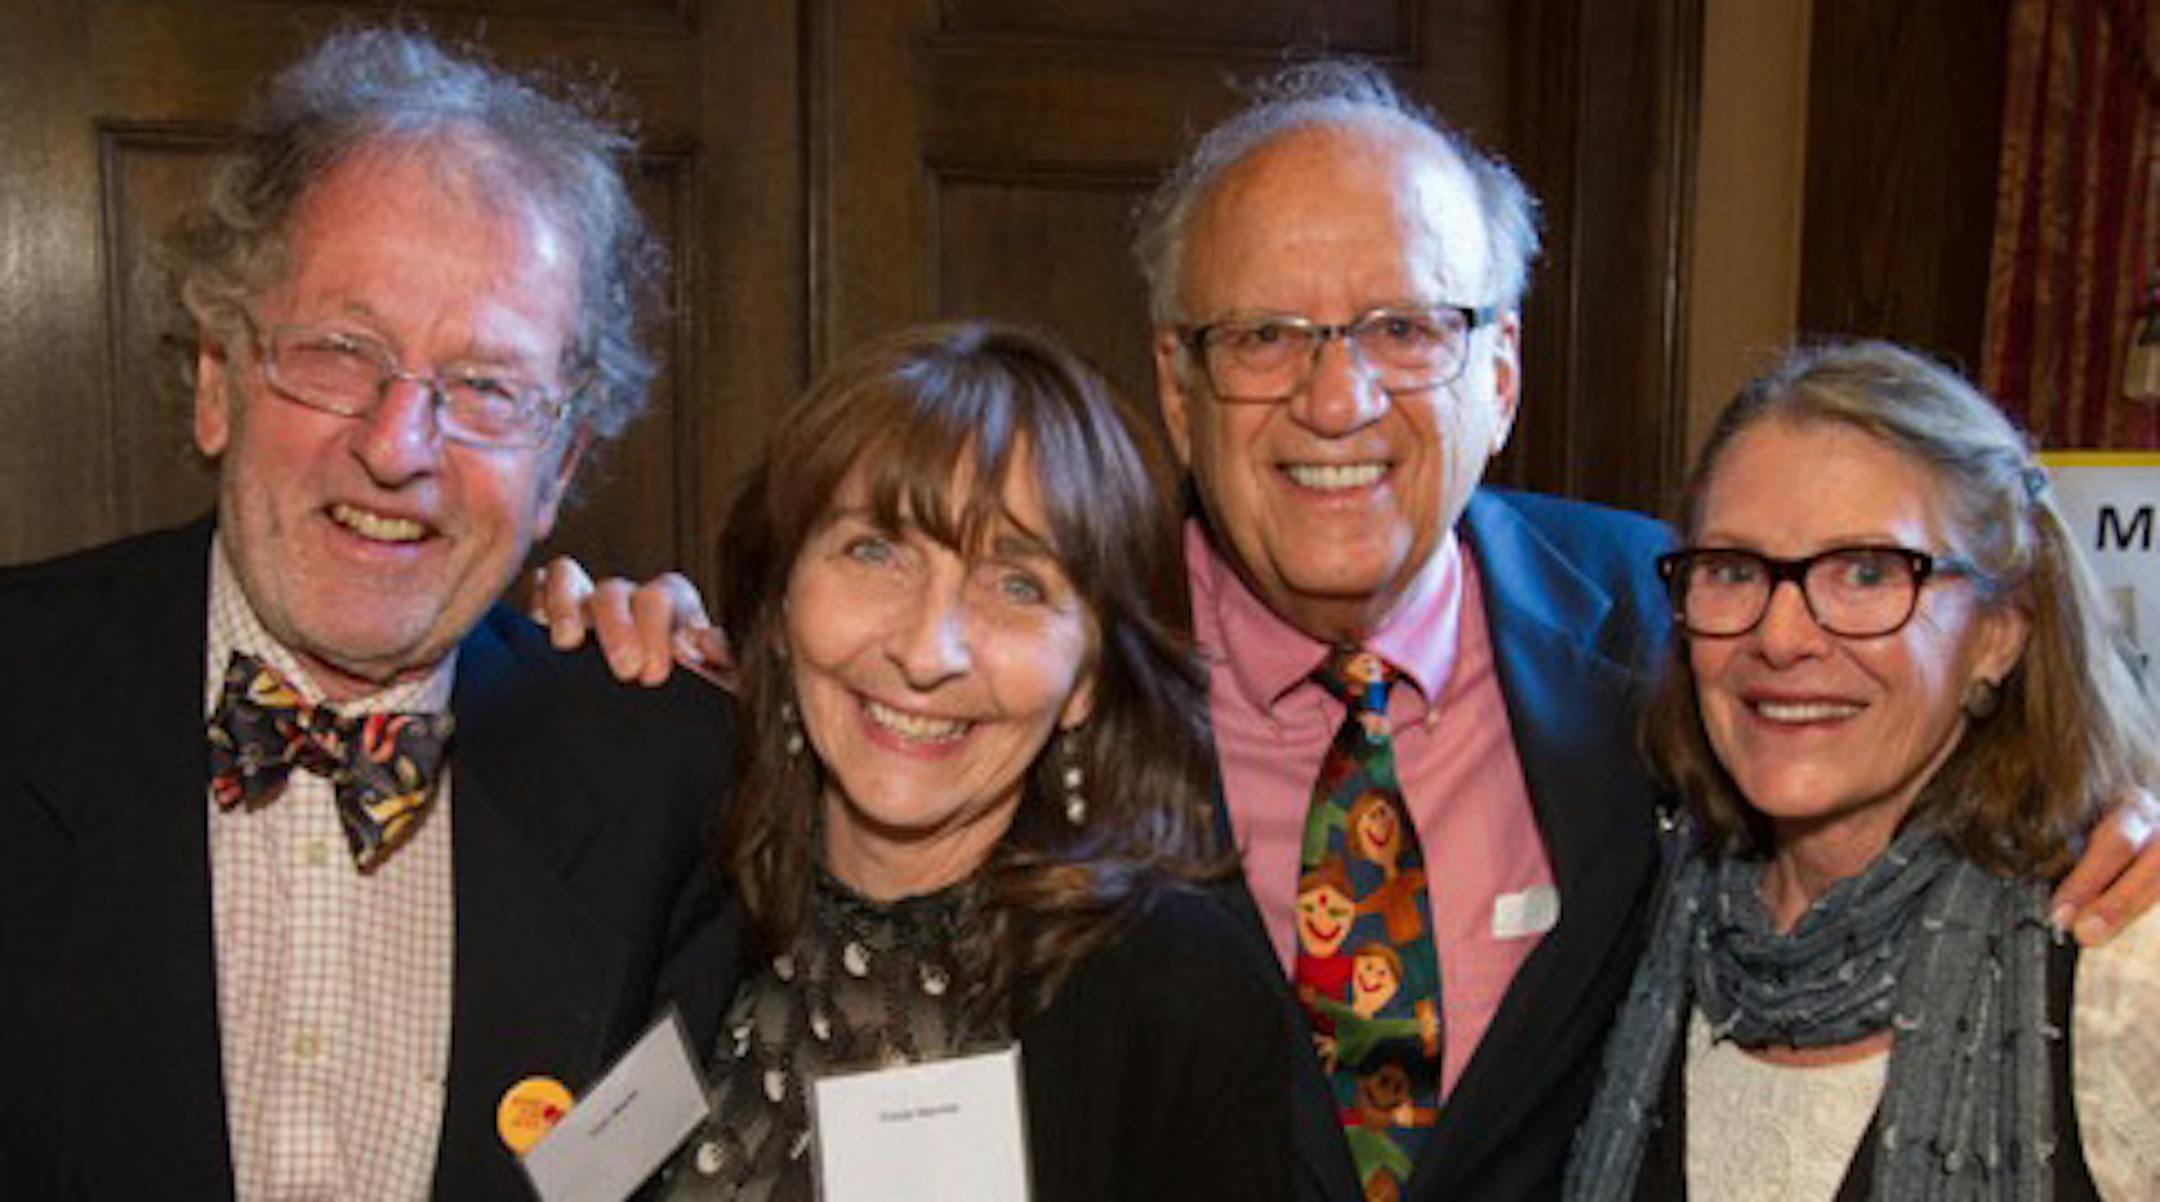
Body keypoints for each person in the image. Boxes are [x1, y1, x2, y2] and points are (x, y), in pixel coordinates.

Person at [538, 60, 2160, 1202]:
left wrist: (2117, 806)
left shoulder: (1683, 625)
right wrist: (630, 641)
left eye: (1405, 326)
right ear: (1177, 385)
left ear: (1501, 374)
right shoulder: (1049, 660)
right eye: (1263, 336)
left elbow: (1903, 687)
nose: (1337, 397)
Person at [0, 27, 738, 1199]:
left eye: (487, 387)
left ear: (558, 466)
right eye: (341, 352)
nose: (399, 448)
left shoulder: (667, 777)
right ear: (214, 381)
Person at [652, 321, 1290, 1201]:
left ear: (1089, 676)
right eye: (875, 552)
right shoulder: (669, 887)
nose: (927, 651)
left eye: (1017, 585)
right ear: (780, 600)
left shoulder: (1176, 1001)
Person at [1566, 341, 2160, 1200]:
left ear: (2000, 632)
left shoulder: (2120, 962)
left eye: (1868, 573)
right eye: (1734, 571)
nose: (1782, 635)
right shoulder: (1651, 920)